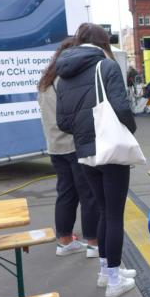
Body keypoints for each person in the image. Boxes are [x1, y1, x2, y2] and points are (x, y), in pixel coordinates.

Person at [55, 23, 137, 297]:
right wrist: (129, 129)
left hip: (84, 151)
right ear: (103, 43)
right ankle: (114, 280)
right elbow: (121, 107)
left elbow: (62, 122)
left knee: (103, 211)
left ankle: (106, 271)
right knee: (114, 215)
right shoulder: (106, 66)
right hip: (110, 148)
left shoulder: (64, 74)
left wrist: (84, 131)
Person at [37, 37, 100, 258]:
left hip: (55, 146)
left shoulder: (46, 81)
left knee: (65, 193)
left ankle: (64, 241)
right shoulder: (66, 80)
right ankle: (93, 243)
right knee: (88, 195)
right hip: (74, 144)